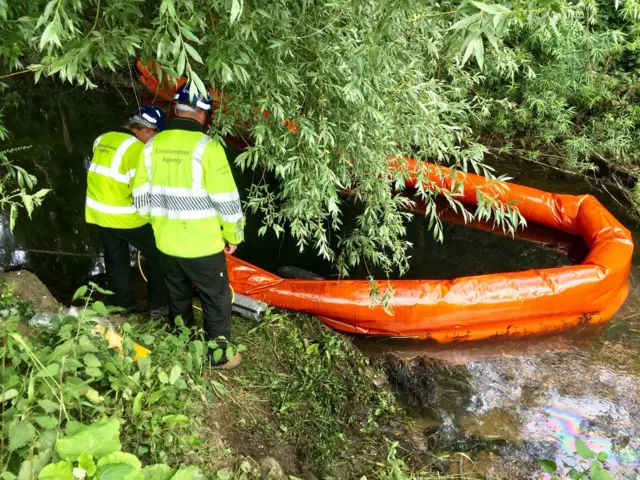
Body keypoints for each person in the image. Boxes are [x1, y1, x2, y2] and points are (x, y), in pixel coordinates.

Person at [132, 82, 244, 370]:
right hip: (203, 245)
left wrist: (158, 223)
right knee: (215, 298)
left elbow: (140, 196)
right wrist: (233, 236)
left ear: (175, 108)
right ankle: (218, 356)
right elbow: (227, 201)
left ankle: (182, 340)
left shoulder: (152, 145)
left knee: (177, 294)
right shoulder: (208, 148)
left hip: (166, 242)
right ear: (204, 114)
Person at [85, 105, 169, 319]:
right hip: (125, 216)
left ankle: (123, 304)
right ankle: (158, 306)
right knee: (159, 255)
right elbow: (142, 192)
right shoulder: (137, 151)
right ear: (149, 130)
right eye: (156, 134)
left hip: (98, 213)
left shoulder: (103, 138)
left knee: (116, 259)